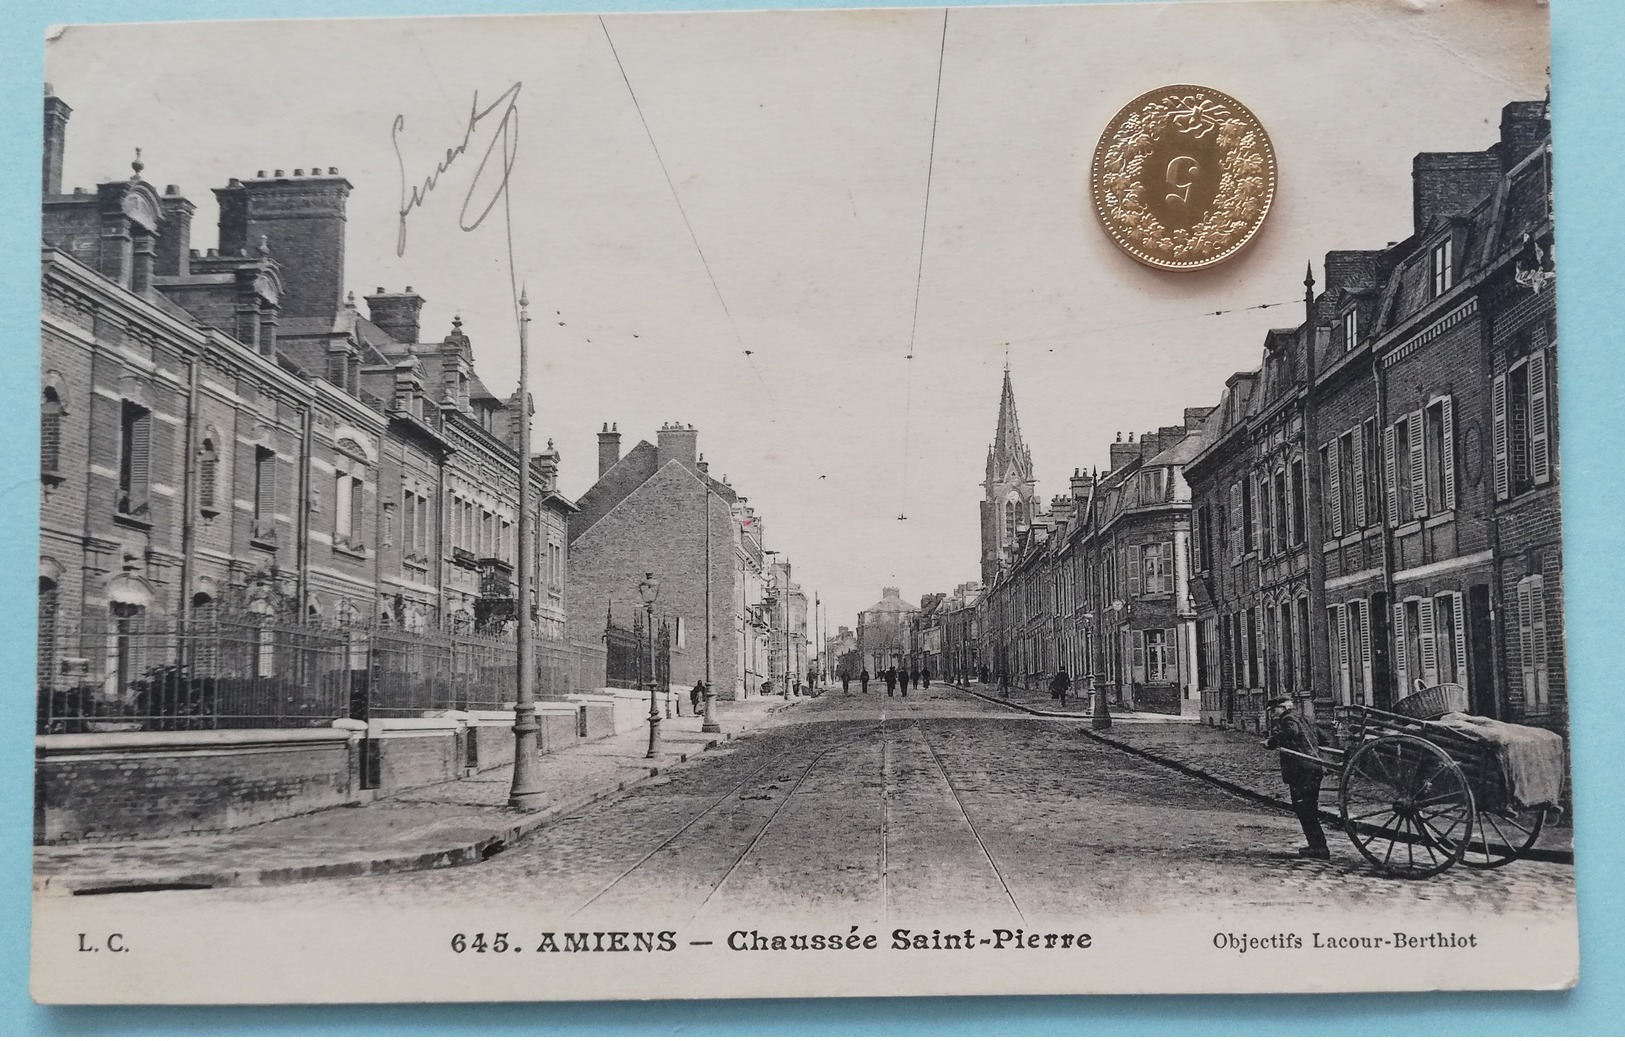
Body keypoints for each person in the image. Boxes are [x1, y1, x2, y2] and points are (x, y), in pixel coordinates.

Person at [1264, 696, 1330, 860]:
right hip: (1314, 769)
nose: (1273, 715)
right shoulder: (1304, 718)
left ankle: (1319, 848)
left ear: (1281, 708)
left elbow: (1291, 732)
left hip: (1301, 772)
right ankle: (1317, 846)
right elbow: (1325, 739)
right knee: (1310, 810)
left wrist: (1271, 742)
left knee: (1304, 810)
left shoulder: (1288, 719)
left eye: (1274, 711)